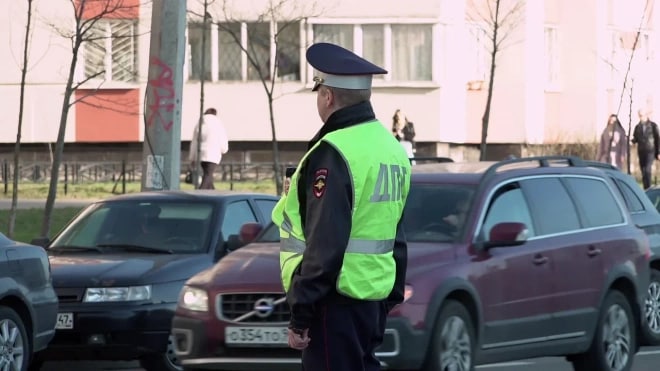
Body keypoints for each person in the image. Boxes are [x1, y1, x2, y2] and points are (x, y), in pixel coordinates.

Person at [271, 42, 412, 371]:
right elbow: (395, 233)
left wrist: (301, 313)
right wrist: (389, 296)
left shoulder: (334, 151)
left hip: (333, 303)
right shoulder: (391, 149)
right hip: (371, 301)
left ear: (328, 96)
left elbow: (325, 243)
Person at [188, 107, 229, 189]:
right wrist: (224, 149)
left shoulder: (199, 123)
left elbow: (194, 141)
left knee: (208, 174)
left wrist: (192, 157)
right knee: (208, 175)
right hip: (213, 154)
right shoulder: (218, 123)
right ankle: (200, 194)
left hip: (201, 154)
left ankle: (212, 194)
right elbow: (222, 138)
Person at [632, 108, 660, 189]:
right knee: (643, 170)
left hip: (650, 150)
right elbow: (635, 138)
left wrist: (658, 152)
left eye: (642, 115)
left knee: (647, 169)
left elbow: (657, 139)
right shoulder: (637, 127)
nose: (641, 117)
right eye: (639, 115)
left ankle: (648, 187)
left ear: (646, 115)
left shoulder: (653, 126)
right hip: (641, 151)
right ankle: (645, 187)